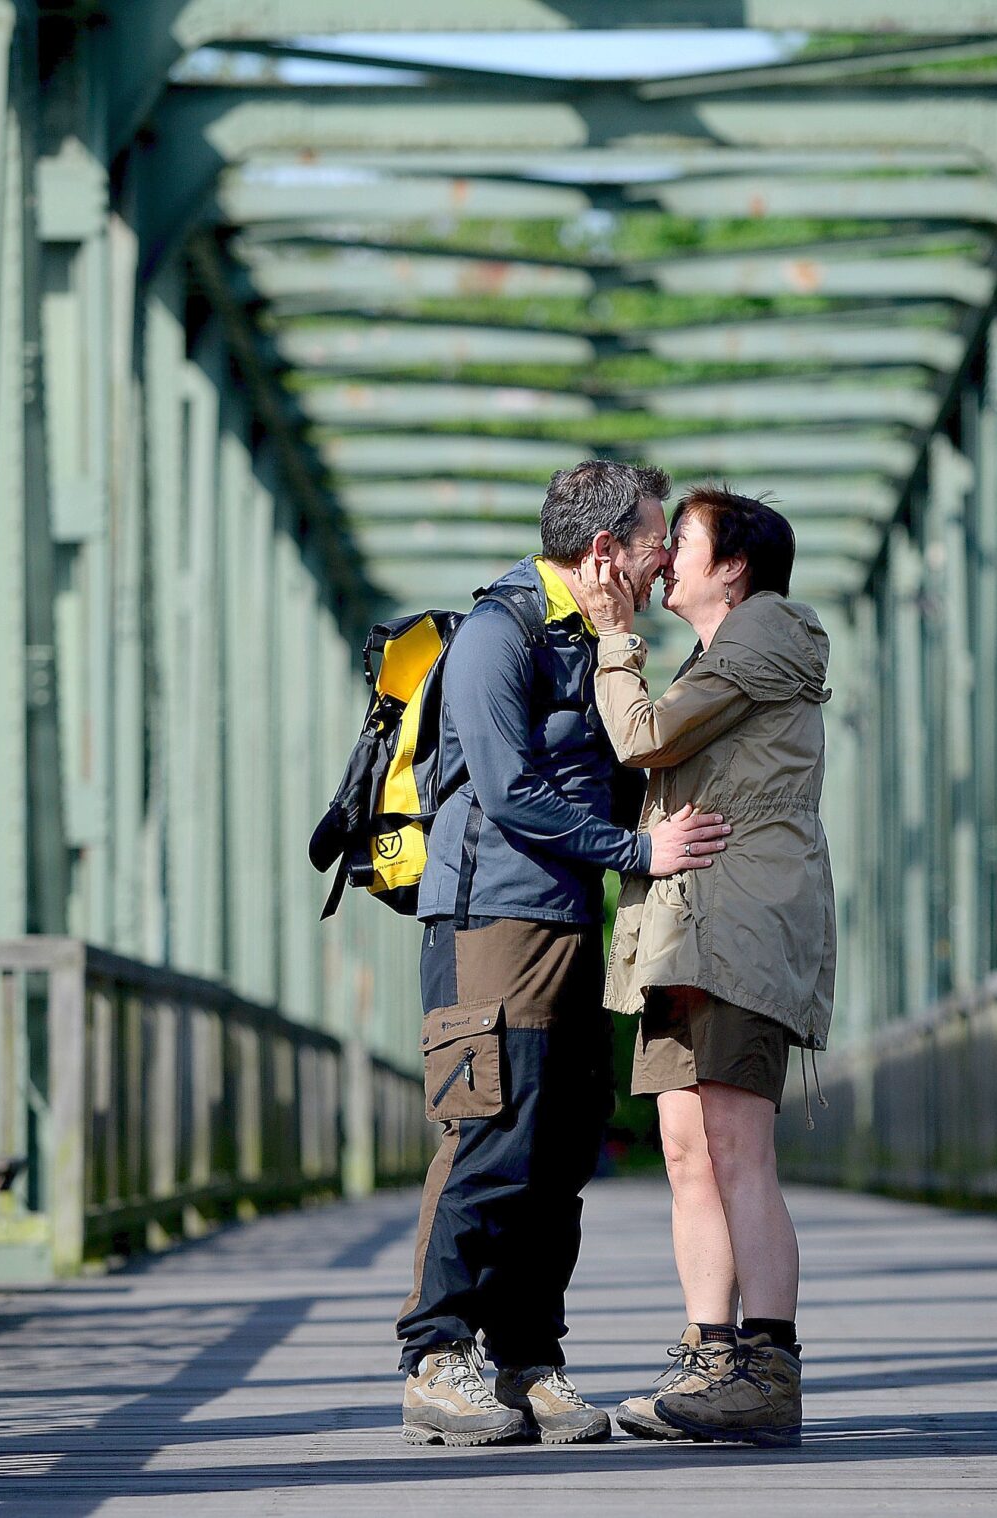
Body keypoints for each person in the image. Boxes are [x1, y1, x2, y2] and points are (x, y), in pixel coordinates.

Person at [395, 459, 734, 1447]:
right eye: (653, 547)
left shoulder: (596, 638)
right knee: (485, 1135)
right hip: (486, 924)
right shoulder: (498, 634)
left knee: (558, 1152)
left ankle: (527, 1361)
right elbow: (505, 791)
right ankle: (433, 1356)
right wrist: (636, 851)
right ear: (604, 551)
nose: (663, 561)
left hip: (567, 924)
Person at [570, 486, 835, 1450]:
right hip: (687, 929)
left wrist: (609, 636)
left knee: (736, 1151)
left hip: (738, 927)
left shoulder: (765, 637)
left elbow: (644, 736)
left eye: (679, 540)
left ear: (734, 566)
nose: (660, 556)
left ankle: (766, 1368)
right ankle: (710, 1358)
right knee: (686, 1151)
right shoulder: (717, 655)